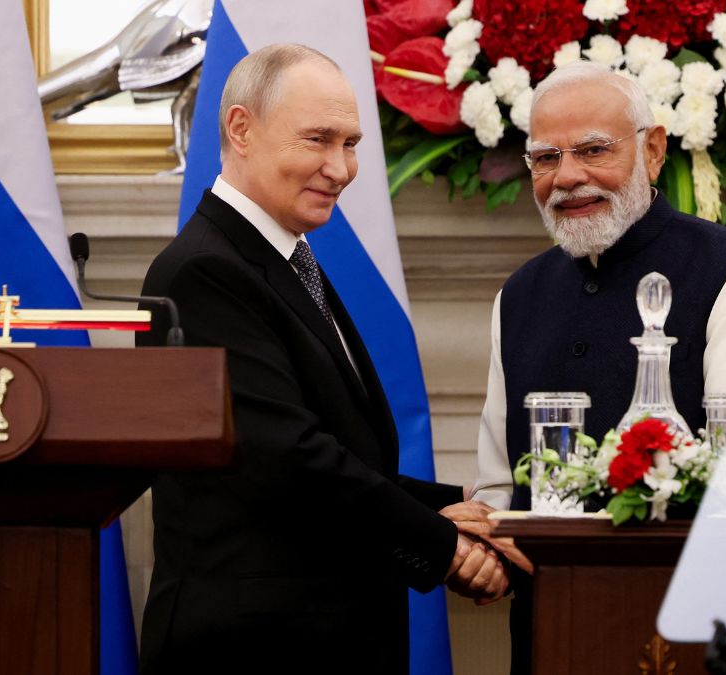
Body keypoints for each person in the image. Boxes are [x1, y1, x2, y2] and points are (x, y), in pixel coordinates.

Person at [137, 44, 504, 674]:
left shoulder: (279, 255)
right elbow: (288, 459)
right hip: (251, 653)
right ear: (241, 129)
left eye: (352, 143)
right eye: (318, 139)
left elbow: (336, 449)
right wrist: (444, 543)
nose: (341, 168)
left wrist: (466, 502)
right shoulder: (203, 271)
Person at [472, 61, 726, 675]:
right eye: (545, 158)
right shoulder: (518, 296)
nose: (568, 177)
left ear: (652, 151)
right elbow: (499, 492)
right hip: (557, 637)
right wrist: (479, 553)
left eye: (594, 150)